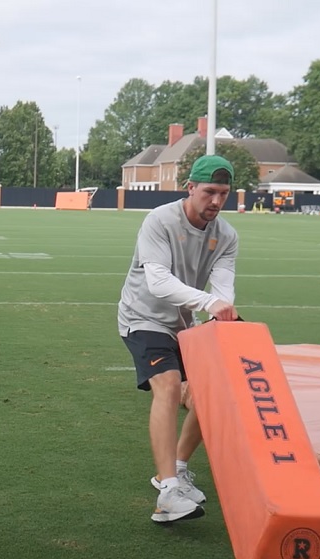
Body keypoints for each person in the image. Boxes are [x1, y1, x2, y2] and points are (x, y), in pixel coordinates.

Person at [117, 154, 240, 524]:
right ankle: (168, 490)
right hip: (143, 317)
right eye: (208, 192)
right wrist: (210, 303)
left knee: (210, 392)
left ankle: (180, 468)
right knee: (169, 386)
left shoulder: (228, 236)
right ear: (190, 188)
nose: (216, 201)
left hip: (183, 324)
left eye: (223, 193)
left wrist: (222, 312)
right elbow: (157, 281)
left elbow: (222, 289)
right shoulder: (159, 221)